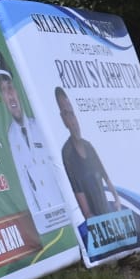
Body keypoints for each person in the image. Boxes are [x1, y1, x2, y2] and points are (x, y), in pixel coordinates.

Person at [0, 45, 69, 235]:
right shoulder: (10, 138)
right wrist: (39, 223)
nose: (9, 95)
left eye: (10, 87)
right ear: (1, 99)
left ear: (17, 90)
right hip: (47, 221)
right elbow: (25, 186)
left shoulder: (41, 126)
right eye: (3, 91)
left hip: (66, 212)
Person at [56, 86, 120, 218]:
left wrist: (117, 199)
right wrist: (89, 215)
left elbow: (105, 176)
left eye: (72, 113)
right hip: (95, 219)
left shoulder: (88, 146)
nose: (73, 121)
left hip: (106, 210)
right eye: (67, 115)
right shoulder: (67, 153)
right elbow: (77, 189)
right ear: (62, 119)